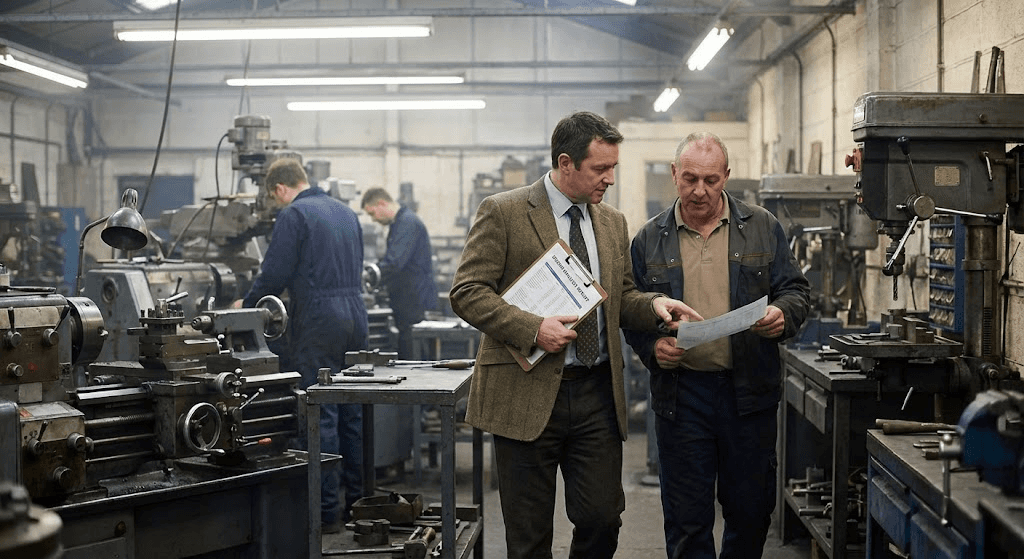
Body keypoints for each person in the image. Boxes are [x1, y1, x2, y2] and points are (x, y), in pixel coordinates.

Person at [449, 111, 703, 559]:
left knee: (602, 519)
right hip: (525, 390)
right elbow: (467, 292)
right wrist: (532, 328)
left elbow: (619, 296)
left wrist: (653, 305)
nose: (609, 179)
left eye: (613, 169)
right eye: (599, 169)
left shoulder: (610, 223)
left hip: (595, 394)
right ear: (566, 164)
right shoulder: (505, 212)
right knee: (528, 536)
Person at [624, 132, 811, 559]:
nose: (699, 190)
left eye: (711, 179)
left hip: (748, 394)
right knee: (687, 520)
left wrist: (783, 316)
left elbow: (796, 292)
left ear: (726, 175)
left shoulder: (763, 227)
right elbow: (630, 312)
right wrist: (652, 349)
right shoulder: (649, 239)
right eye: (689, 178)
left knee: (750, 513)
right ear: (674, 174)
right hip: (682, 397)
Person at [233, 158, 369, 534]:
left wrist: (247, 304)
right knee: (353, 411)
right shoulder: (347, 212)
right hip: (357, 315)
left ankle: (326, 514)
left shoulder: (294, 215)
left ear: (279, 189)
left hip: (321, 319)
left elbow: (274, 273)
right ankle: (359, 505)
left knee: (321, 411)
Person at [361, 187, 438, 359]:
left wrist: (370, 275)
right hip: (408, 301)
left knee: (414, 355)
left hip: (414, 304)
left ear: (382, 203)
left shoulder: (406, 223)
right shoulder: (400, 223)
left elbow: (394, 263)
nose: (373, 220)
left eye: (372, 213)